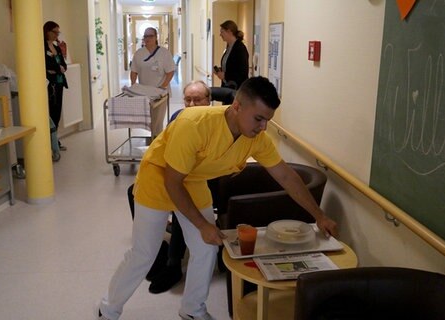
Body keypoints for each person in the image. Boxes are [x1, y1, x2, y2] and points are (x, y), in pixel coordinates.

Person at [98, 76, 338, 320]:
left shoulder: (256, 139)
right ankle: (108, 309)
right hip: (159, 178)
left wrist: (318, 216)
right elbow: (172, 182)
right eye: (258, 118)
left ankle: (192, 310)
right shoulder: (194, 124)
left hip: (192, 181)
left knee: (205, 248)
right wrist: (203, 225)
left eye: (267, 120)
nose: (263, 127)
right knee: (144, 254)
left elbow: (286, 177)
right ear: (237, 107)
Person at [127, 80, 212, 295]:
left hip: (201, 181)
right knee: (133, 191)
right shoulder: (178, 118)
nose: (192, 104)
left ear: (209, 101)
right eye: (188, 99)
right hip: (176, 176)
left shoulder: (214, 122)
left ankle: (174, 265)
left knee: (181, 203)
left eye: (198, 99)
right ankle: (156, 252)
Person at [130, 27, 175, 137]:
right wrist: (133, 87)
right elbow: (134, 71)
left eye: (150, 36)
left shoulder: (164, 53)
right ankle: (152, 141)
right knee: (148, 120)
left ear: (156, 37)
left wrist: (161, 88)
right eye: (145, 36)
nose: (147, 38)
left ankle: (156, 143)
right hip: (144, 92)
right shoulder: (139, 53)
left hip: (160, 93)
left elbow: (170, 72)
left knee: (157, 121)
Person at [43, 21, 68, 151]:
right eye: (55, 32)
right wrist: (57, 68)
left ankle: (55, 141)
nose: (56, 35)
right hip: (49, 85)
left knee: (57, 113)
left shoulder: (57, 47)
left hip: (59, 84)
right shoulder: (41, 48)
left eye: (58, 32)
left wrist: (58, 69)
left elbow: (64, 66)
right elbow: (47, 66)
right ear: (47, 31)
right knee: (50, 114)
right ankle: (48, 144)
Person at [213, 20, 249, 104]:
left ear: (229, 31)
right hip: (227, 87)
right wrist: (220, 70)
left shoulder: (240, 48)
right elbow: (231, 66)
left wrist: (225, 75)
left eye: (222, 32)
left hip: (236, 90)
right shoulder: (229, 47)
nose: (220, 35)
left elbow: (242, 72)